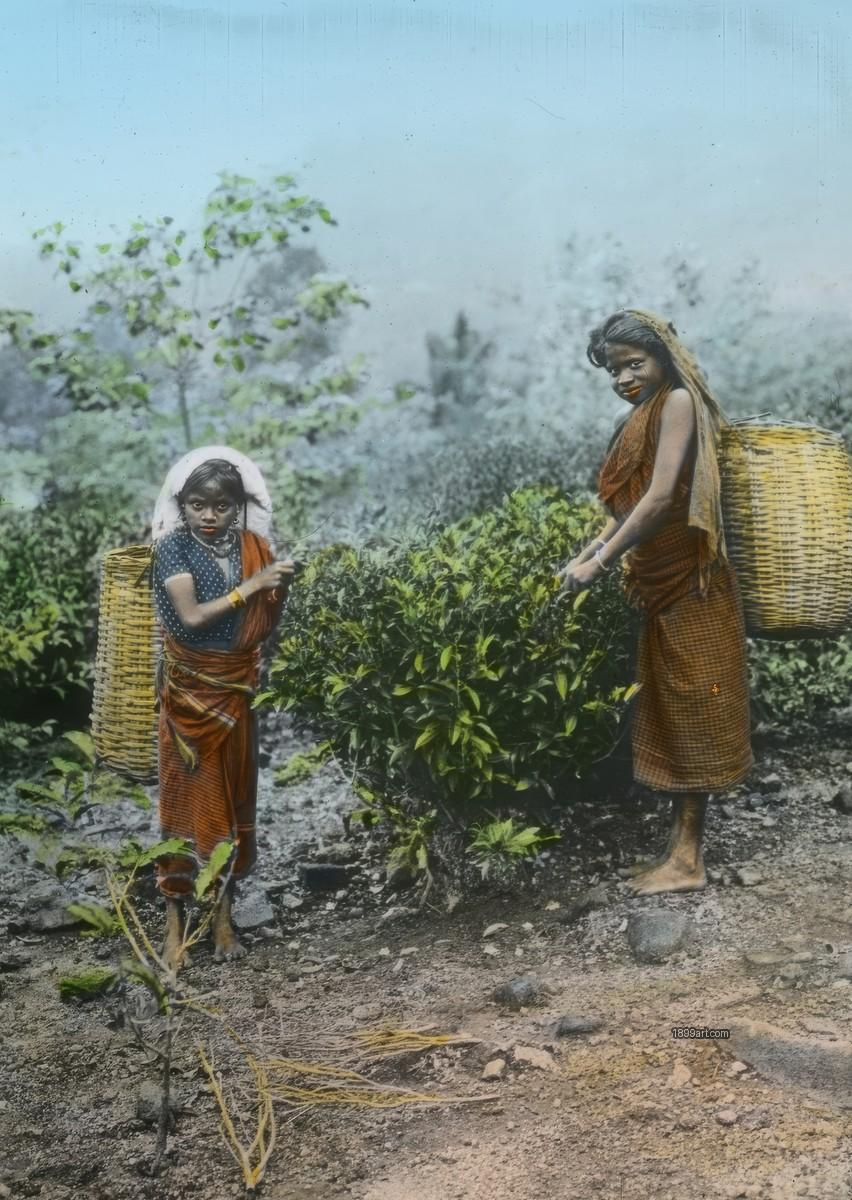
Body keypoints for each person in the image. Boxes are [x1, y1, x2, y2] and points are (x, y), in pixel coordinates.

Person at [558, 309, 753, 895]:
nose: (623, 378)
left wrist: (600, 560)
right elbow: (627, 509)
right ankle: (677, 851)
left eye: (633, 364)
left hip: (692, 581)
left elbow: (663, 496)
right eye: (614, 370)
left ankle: (688, 861)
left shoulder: (676, 404)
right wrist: (594, 548)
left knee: (693, 708)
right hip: (660, 583)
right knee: (671, 710)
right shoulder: (643, 412)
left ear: (664, 358)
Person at [151, 447, 294, 968]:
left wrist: (275, 590)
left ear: (238, 507)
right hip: (191, 698)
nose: (209, 516)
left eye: (222, 507)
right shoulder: (172, 550)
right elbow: (189, 617)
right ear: (182, 505)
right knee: (186, 804)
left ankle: (223, 921)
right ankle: (173, 928)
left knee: (234, 799)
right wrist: (252, 587)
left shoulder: (251, 546)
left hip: (236, 691)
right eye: (197, 505)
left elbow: (259, 625)